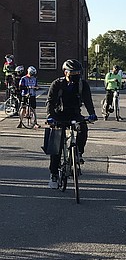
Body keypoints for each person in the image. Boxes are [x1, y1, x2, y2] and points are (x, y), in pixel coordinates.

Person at [46, 59, 97, 188]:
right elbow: (50, 102)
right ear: (65, 72)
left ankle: (78, 153)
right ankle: (54, 174)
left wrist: (92, 114)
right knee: (57, 143)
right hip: (59, 115)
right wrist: (50, 117)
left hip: (74, 113)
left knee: (83, 129)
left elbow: (87, 100)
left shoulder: (82, 85)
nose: (75, 75)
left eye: (78, 72)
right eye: (72, 72)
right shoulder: (57, 84)